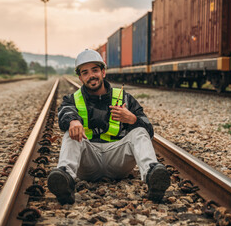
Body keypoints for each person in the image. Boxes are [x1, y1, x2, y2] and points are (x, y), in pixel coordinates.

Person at [47, 49, 170, 205]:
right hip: (88, 163)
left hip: (118, 161)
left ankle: (153, 177)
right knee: (70, 134)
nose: (91, 75)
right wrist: (73, 120)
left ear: (103, 72)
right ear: (80, 77)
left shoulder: (123, 97)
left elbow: (149, 130)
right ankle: (65, 180)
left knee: (139, 131)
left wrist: (132, 119)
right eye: (85, 72)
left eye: (95, 70)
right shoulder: (72, 99)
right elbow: (64, 112)